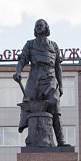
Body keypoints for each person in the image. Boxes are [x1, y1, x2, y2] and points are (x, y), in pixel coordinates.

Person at [13, 19, 69, 147]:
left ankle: (61, 141)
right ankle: (33, 140)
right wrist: (18, 72)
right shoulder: (30, 44)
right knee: (31, 108)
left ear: (46, 27)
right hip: (35, 78)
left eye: (40, 25)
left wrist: (60, 86)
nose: (38, 27)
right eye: (36, 26)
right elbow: (22, 59)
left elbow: (57, 67)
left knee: (55, 108)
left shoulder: (53, 45)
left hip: (50, 79)